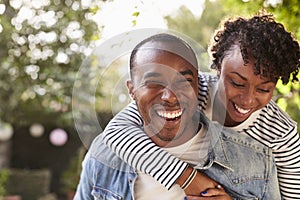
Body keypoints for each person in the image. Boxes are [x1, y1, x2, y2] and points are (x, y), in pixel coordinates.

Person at [102, 13, 300, 199]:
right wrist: (189, 179)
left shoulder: (281, 133)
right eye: (237, 83)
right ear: (218, 67)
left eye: (263, 90)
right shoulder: (194, 88)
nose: (247, 100)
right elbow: (117, 131)